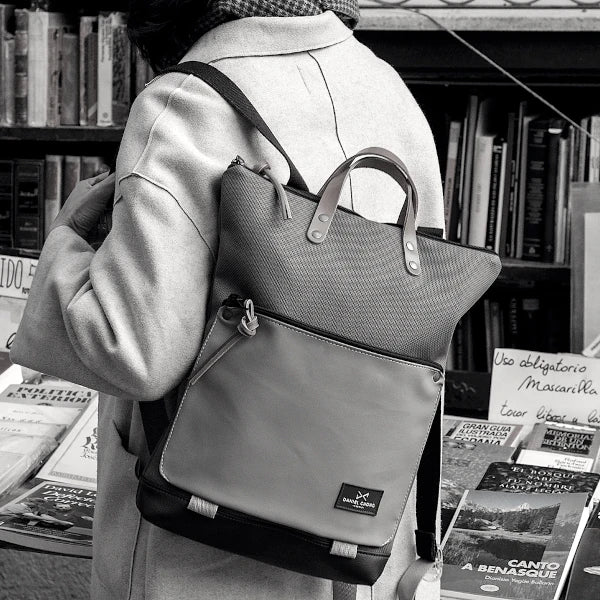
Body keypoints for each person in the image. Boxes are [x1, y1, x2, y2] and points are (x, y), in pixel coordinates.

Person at [10, 1, 445, 598]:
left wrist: (67, 245)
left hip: (210, 540)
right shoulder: (386, 85)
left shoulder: (187, 100)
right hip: (355, 523)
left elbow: (132, 351)